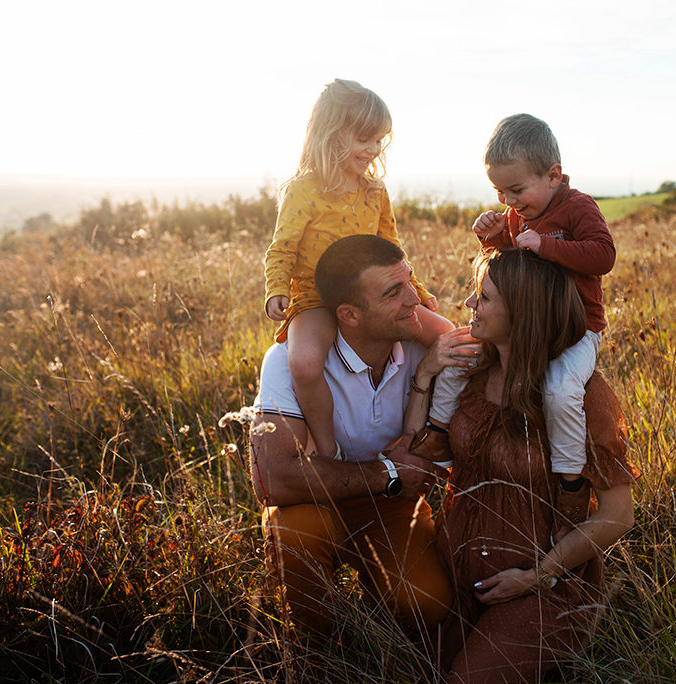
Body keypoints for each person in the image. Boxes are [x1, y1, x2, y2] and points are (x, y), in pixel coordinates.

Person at [409, 249, 637, 682]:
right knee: (414, 668)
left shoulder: (578, 397)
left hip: (540, 587)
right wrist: (424, 376)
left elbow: (617, 516)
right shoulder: (472, 372)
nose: (470, 306)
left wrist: (537, 576)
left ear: (524, 311)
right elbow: (422, 454)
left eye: (484, 297)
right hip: (456, 576)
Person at [250, 234, 477, 647]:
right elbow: (274, 479)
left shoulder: (421, 347)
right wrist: (388, 472)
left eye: (410, 281)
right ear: (350, 315)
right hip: (315, 503)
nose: (415, 299)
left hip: (392, 506)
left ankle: (376, 617)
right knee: (296, 538)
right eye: (394, 292)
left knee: (427, 604)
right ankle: (313, 652)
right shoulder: (289, 361)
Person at [421, 113, 616, 526]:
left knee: (560, 391)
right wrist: (491, 238)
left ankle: (570, 483)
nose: (508, 202)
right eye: (498, 191)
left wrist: (546, 245)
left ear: (553, 175)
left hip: (576, 329)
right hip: (527, 325)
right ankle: (437, 432)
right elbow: (510, 271)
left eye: (515, 189)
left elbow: (604, 255)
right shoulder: (516, 215)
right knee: (463, 355)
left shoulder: (578, 207)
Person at [263, 78, 452, 462]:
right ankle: (326, 446)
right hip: (315, 298)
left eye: (378, 139)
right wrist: (276, 288)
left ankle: (435, 431)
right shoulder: (303, 191)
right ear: (331, 134)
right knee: (303, 363)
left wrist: (415, 288)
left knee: (446, 334)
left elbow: (391, 250)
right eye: (363, 138)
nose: (373, 149)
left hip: (373, 297)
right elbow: (282, 247)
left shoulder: (375, 191)